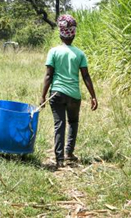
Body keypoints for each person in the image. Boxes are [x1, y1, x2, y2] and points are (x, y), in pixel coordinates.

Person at [40, 14, 97, 168]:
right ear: (73, 34)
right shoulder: (80, 54)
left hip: (56, 93)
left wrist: (43, 95)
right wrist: (93, 96)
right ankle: (69, 153)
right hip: (74, 95)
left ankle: (59, 159)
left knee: (59, 124)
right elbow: (86, 76)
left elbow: (48, 75)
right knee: (73, 122)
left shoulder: (54, 52)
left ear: (60, 33)